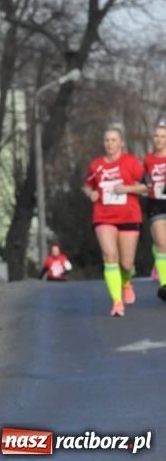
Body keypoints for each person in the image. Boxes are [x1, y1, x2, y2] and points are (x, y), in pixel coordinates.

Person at [84, 123, 146, 317]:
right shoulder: (96, 165)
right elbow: (88, 185)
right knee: (110, 255)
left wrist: (126, 189)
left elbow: (147, 186)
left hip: (128, 215)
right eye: (107, 140)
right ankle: (117, 303)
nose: (110, 144)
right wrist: (91, 194)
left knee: (126, 264)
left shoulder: (130, 161)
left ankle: (126, 282)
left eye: (113, 140)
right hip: (103, 216)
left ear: (121, 143)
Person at [143, 119, 166, 301]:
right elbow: (142, 178)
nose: (159, 140)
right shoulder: (148, 159)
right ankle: (165, 285)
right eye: (156, 136)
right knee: (162, 244)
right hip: (155, 203)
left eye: (163, 137)